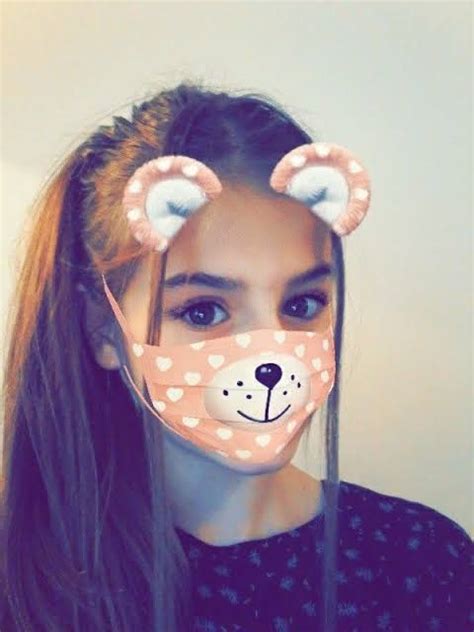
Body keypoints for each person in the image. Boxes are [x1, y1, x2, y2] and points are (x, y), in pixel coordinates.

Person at [0, 81, 471, 632]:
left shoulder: (424, 562)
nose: (274, 348)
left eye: (302, 303)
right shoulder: (24, 583)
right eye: (203, 311)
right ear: (103, 328)